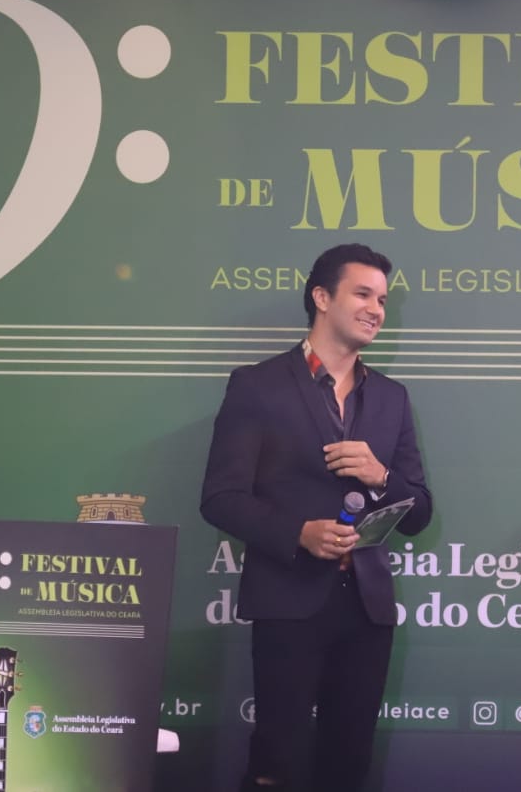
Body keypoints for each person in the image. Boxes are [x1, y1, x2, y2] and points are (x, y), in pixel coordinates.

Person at [200, 243, 433, 792]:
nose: (376, 309)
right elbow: (220, 497)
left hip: (367, 609)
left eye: (382, 300)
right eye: (363, 294)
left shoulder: (392, 398)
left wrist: (380, 475)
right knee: (277, 760)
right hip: (288, 600)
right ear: (322, 297)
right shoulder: (257, 385)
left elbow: (419, 512)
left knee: (348, 763)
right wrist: (298, 533)